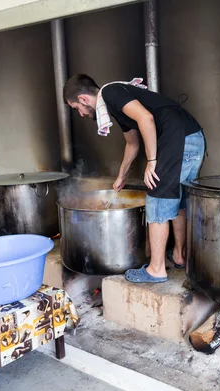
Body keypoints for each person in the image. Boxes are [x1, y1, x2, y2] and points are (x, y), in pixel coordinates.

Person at [62, 74, 205, 283]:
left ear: (83, 99)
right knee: (178, 199)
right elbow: (132, 143)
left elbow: (145, 118)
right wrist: (121, 175)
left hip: (177, 139)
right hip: (193, 138)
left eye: (77, 108)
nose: (81, 114)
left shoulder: (110, 93)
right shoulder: (118, 103)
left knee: (157, 200)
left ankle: (156, 269)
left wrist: (152, 160)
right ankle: (179, 255)